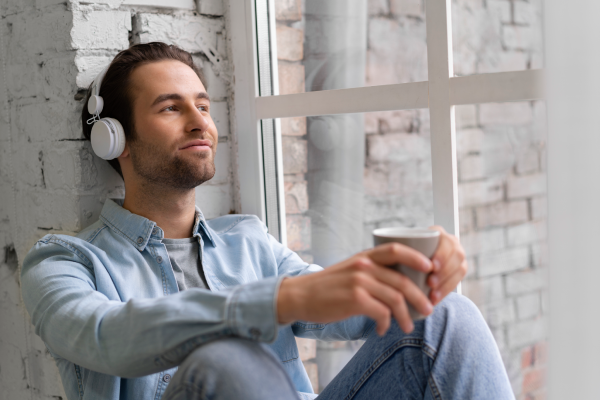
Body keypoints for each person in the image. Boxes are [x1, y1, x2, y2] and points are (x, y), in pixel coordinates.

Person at [21, 42, 514, 400]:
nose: (200, 122)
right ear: (114, 138)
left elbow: (347, 309)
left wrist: (413, 276)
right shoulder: (64, 261)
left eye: (203, 106)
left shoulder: (248, 240)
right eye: (171, 107)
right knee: (225, 359)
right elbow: (106, 336)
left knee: (446, 314)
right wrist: (281, 299)